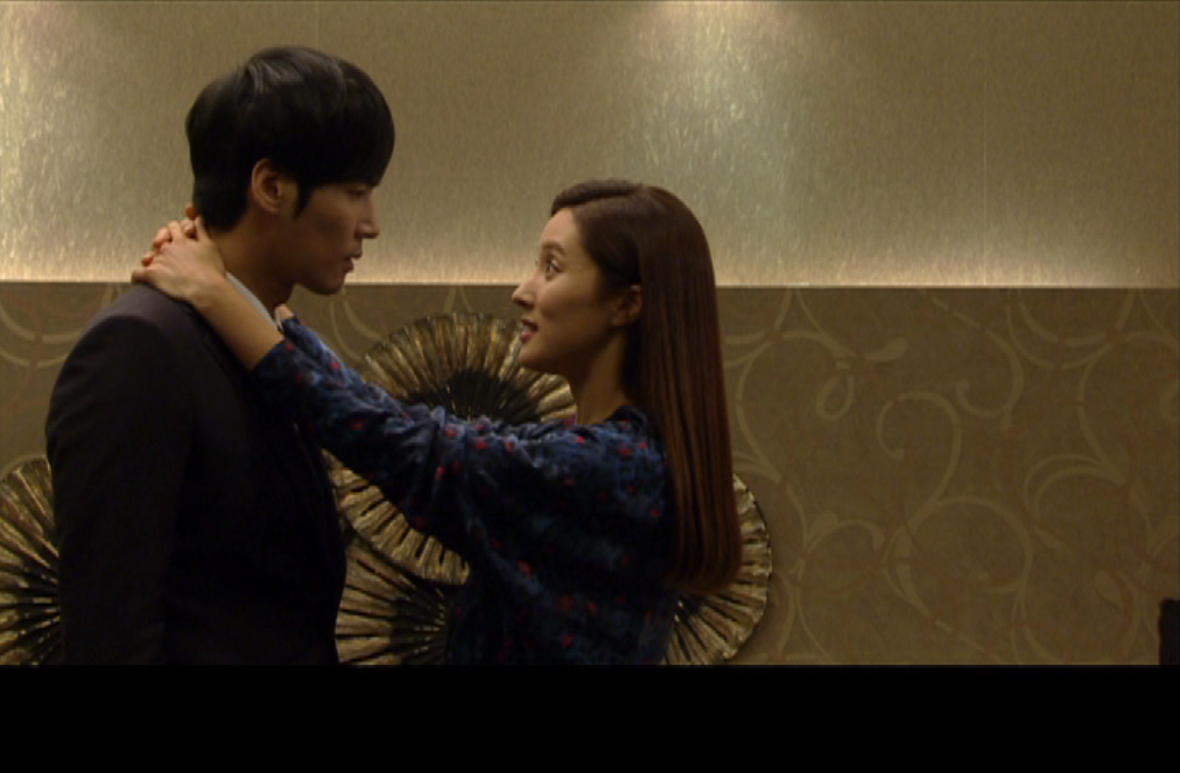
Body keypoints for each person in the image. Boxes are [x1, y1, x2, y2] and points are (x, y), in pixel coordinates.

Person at [137, 180, 742, 665]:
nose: (523, 291)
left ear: (627, 303)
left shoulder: (607, 468)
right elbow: (395, 420)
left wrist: (217, 293)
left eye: (552, 269)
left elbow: (396, 441)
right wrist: (255, 299)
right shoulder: (609, 451)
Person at [46, 46, 395, 664]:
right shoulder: (141, 347)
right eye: (355, 191)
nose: (371, 223)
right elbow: (111, 630)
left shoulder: (266, 339)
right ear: (271, 187)